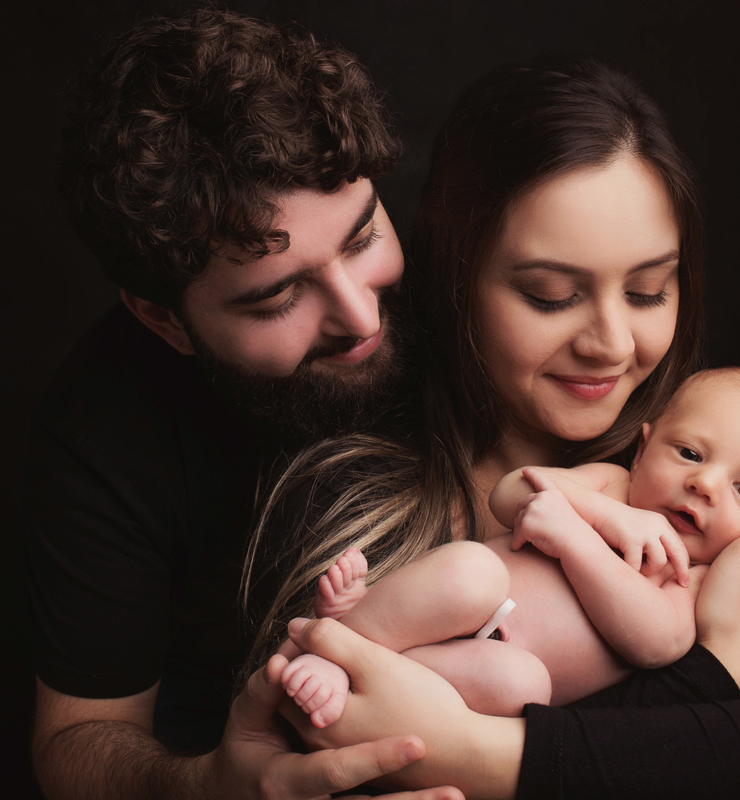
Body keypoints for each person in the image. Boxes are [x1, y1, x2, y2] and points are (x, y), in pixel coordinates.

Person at [246, 56, 740, 798]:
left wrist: (474, 753)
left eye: (649, 290)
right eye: (549, 296)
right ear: (457, 279)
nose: (610, 342)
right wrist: (721, 679)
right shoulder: (342, 482)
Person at [24, 8, 463, 800]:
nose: (361, 318)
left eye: (363, 239)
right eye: (278, 297)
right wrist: (206, 787)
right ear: (163, 318)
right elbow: (77, 740)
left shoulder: (474, 279)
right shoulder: (104, 422)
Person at [280, 367, 740, 726]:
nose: (705, 485)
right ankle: (342, 639)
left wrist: (575, 540)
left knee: (525, 687)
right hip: (454, 603)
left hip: (487, 663)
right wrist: (606, 517)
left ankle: (369, 674)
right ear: (643, 451)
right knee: (473, 570)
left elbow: (657, 643)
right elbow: (508, 493)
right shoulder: (612, 487)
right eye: (689, 453)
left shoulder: (700, 579)